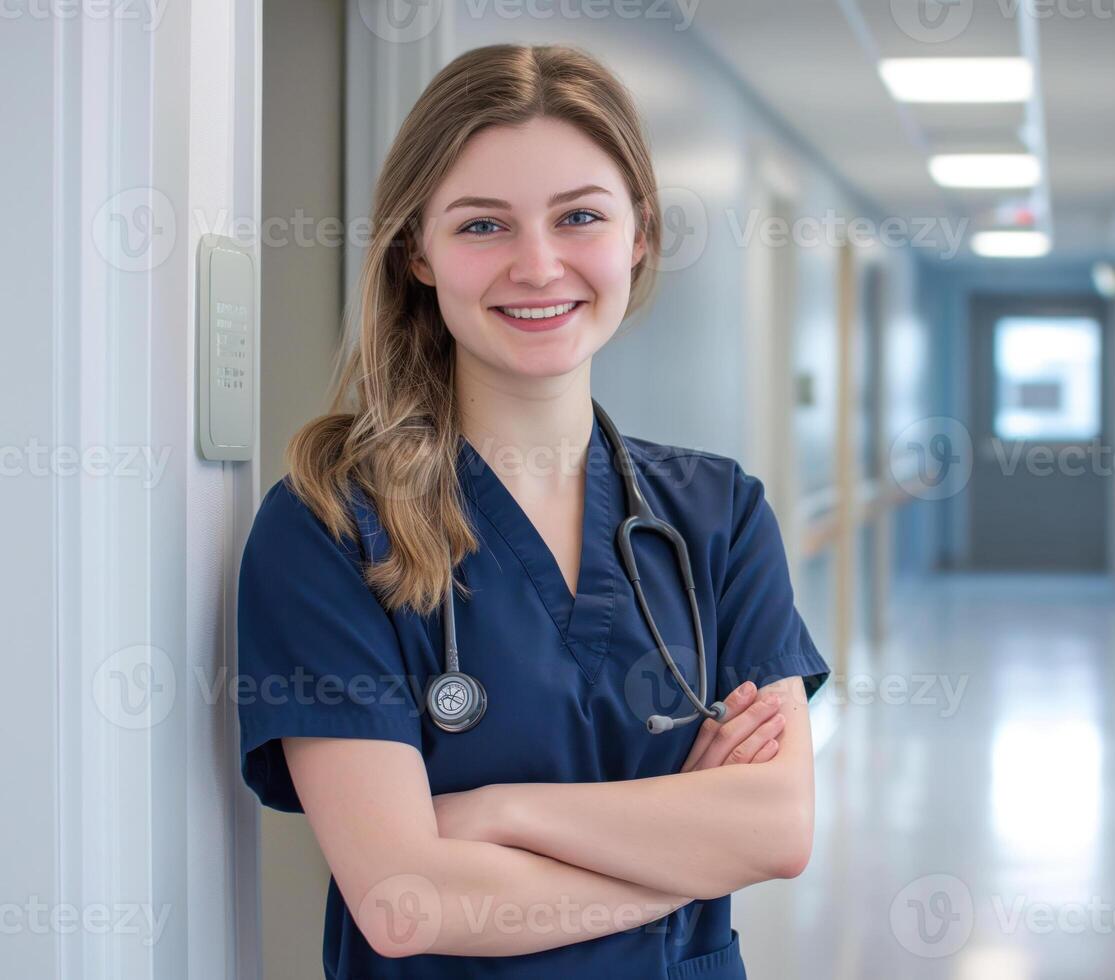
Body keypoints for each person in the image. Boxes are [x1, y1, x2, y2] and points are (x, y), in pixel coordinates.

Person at [235, 42, 829, 979]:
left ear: (639, 235)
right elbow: (404, 902)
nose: (539, 265)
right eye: (482, 226)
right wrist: (686, 850)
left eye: (580, 217)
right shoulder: (329, 527)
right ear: (417, 254)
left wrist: (496, 813)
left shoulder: (718, 518)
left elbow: (779, 828)